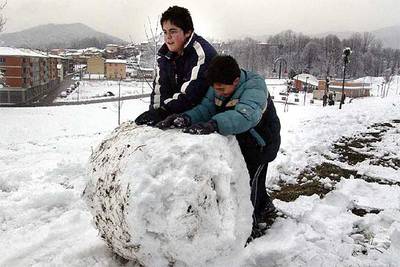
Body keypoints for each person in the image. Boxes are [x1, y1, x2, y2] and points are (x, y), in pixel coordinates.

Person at [156, 55, 281, 241]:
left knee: (249, 184)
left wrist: (213, 125)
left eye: (222, 89)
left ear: (236, 81)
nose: (218, 92)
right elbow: (205, 108)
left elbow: (245, 116)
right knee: (254, 181)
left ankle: (250, 226)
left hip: (261, 143)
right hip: (243, 139)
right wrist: (185, 118)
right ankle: (265, 207)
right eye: (215, 89)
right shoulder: (218, 86)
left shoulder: (255, 87)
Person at [135, 6, 217, 126]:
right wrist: (154, 112)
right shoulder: (164, 56)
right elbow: (160, 89)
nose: (168, 37)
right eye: (165, 32)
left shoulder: (202, 53)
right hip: (175, 113)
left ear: (188, 32)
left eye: (173, 31)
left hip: (202, 117)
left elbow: (191, 93)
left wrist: (163, 112)